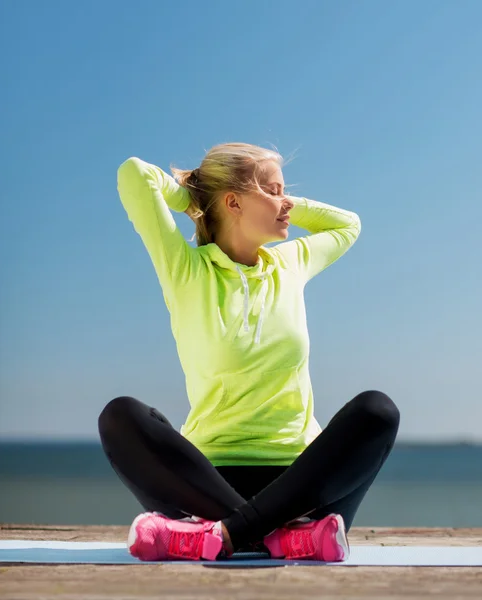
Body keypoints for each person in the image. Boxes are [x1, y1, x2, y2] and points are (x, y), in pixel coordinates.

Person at [98, 142, 400, 562]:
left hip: (302, 485)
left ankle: (224, 534)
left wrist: (276, 195)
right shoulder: (186, 269)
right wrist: (196, 199)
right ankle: (277, 536)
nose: (287, 204)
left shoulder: (290, 263)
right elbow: (135, 174)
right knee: (120, 416)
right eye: (274, 191)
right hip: (204, 481)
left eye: (285, 192)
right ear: (233, 201)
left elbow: (347, 225)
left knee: (377, 411)